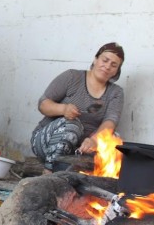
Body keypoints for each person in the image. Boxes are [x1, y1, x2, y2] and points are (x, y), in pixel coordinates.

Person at [30, 42, 125, 173]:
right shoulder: (72, 77)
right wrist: (63, 109)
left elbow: (110, 121)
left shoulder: (116, 92)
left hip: (80, 150)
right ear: (96, 59)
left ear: (116, 71)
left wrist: (94, 140)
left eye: (113, 65)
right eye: (105, 60)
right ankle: (49, 172)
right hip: (46, 141)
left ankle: (91, 179)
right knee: (73, 125)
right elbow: (43, 104)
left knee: (114, 138)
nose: (107, 66)